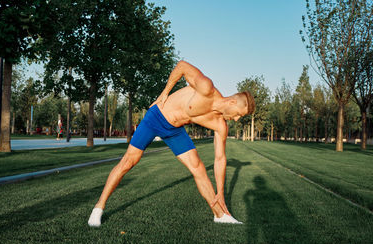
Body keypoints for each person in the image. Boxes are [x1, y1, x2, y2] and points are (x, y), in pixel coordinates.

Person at [88, 61, 255, 227]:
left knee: (198, 167)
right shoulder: (206, 87)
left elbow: (220, 158)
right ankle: (98, 208)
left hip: (175, 130)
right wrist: (164, 93)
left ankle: (219, 215)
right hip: (156, 117)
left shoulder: (220, 125)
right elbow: (181, 66)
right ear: (232, 102)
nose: (236, 119)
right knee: (128, 162)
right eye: (238, 114)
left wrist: (220, 192)